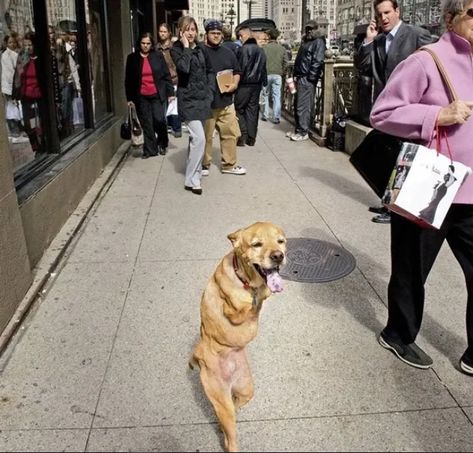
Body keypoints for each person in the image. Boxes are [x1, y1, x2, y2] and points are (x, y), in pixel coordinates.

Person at [370, 0, 473, 376]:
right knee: (411, 270)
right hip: (428, 186)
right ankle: (398, 334)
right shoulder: (426, 60)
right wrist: (436, 115)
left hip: (472, 193)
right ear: (450, 19)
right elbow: (381, 113)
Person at [355, 0, 432, 224]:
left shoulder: (416, 34)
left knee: (404, 158)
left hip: (411, 107)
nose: (383, 18)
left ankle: (396, 210)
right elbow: (364, 67)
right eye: (379, 15)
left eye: (387, 13)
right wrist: (368, 40)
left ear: (397, 11)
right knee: (390, 156)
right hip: (388, 109)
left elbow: (434, 63)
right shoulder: (378, 41)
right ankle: (389, 203)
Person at [171, 16, 214, 195]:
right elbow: (183, 68)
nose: (191, 33)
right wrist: (187, 48)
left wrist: (210, 92)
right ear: (181, 31)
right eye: (187, 29)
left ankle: (195, 173)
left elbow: (209, 71)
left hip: (203, 99)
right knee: (200, 139)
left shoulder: (202, 49)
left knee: (195, 140)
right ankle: (191, 179)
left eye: (193, 29)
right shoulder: (176, 50)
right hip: (187, 100)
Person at [202, 19, 246, 176]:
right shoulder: (200, 52)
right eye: (213, 33)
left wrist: (234, 84)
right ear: (206, 34)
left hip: (226, 102)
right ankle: (204, 165)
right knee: (205, 137)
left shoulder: (228, 52)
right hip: (207, 104)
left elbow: (237, 71)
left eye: (218, 33)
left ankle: (229, 164)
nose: (216, 36)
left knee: (230, 134)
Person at [125, 32, 174, 159]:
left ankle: (162, 142)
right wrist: (129, 98)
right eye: (143, 43)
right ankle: (150, 150)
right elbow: (128, 80)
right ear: (139, 43)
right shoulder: (132, 58)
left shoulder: (158, 56)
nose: (146, 46)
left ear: (151, 44)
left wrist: (170, 93)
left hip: (157, 94)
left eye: (148, 43)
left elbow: (166, 75)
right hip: (141, 96)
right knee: (147, 123)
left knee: (159, 120)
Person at [288, 20, 326, 142]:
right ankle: (299, 129)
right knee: (298, 104)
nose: (309, 31)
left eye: (311, 29)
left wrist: (311, 78)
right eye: (307, 29)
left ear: (316, 29)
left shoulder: (318, 41)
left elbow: (318, 60)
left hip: (306, 78)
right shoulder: (306, 42)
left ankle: (303, 131)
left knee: (303, 106)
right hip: (300, 77)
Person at [12, 33, 46, 155]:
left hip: (38, 95)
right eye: (25, 45)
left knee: (40, 122)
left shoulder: (38, 58)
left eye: (30, 45)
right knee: (28, 124)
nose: (27, 47)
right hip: (26, 96)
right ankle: (35, 145)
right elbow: (17, 77)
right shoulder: (22, 57)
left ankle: (42, 144)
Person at [234, 26, 267, 147]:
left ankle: (242, 135)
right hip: (256, 85)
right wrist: (264, 82)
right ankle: (251, 138)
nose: (240, 39)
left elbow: (240, 68)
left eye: (240, 36)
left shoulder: (243, 49)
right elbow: (263, 68)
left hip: (244, 84)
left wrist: (236, 83)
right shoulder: (260, 50)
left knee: (238, 109)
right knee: (252, 110)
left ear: (244, 36)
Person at [156, 23, 182, 138]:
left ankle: (177, 128)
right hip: (160, 81)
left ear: (169, 33)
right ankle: (165, 126)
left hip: (174, 79)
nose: (162, 34)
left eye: (164, 31)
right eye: (160, 31)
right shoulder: (156, 48)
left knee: (173, 105)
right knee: (163, 106)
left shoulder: (173, 47)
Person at [261, 27, 288, 124]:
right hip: (277, 75)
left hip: (266, 75)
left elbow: (261, 62)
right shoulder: (282, 48)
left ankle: (265, 115)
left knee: (265, 95)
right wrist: (282, 72)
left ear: (269, 37)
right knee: (277, 96)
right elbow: (286, 62)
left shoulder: (264, 48)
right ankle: (276, 117)